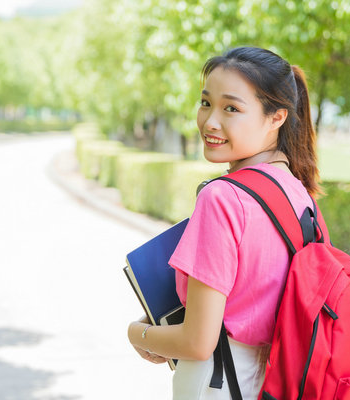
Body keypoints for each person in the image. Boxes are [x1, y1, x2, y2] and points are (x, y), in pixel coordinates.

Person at [127, 46, 322, 400]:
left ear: (277, 117)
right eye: (206, 103)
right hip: (281, 379)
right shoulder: (299, 195)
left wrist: (137, 334)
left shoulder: (222, 198)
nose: (210, 122)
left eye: (231, 108)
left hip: (219, 380)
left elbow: (197, 341)